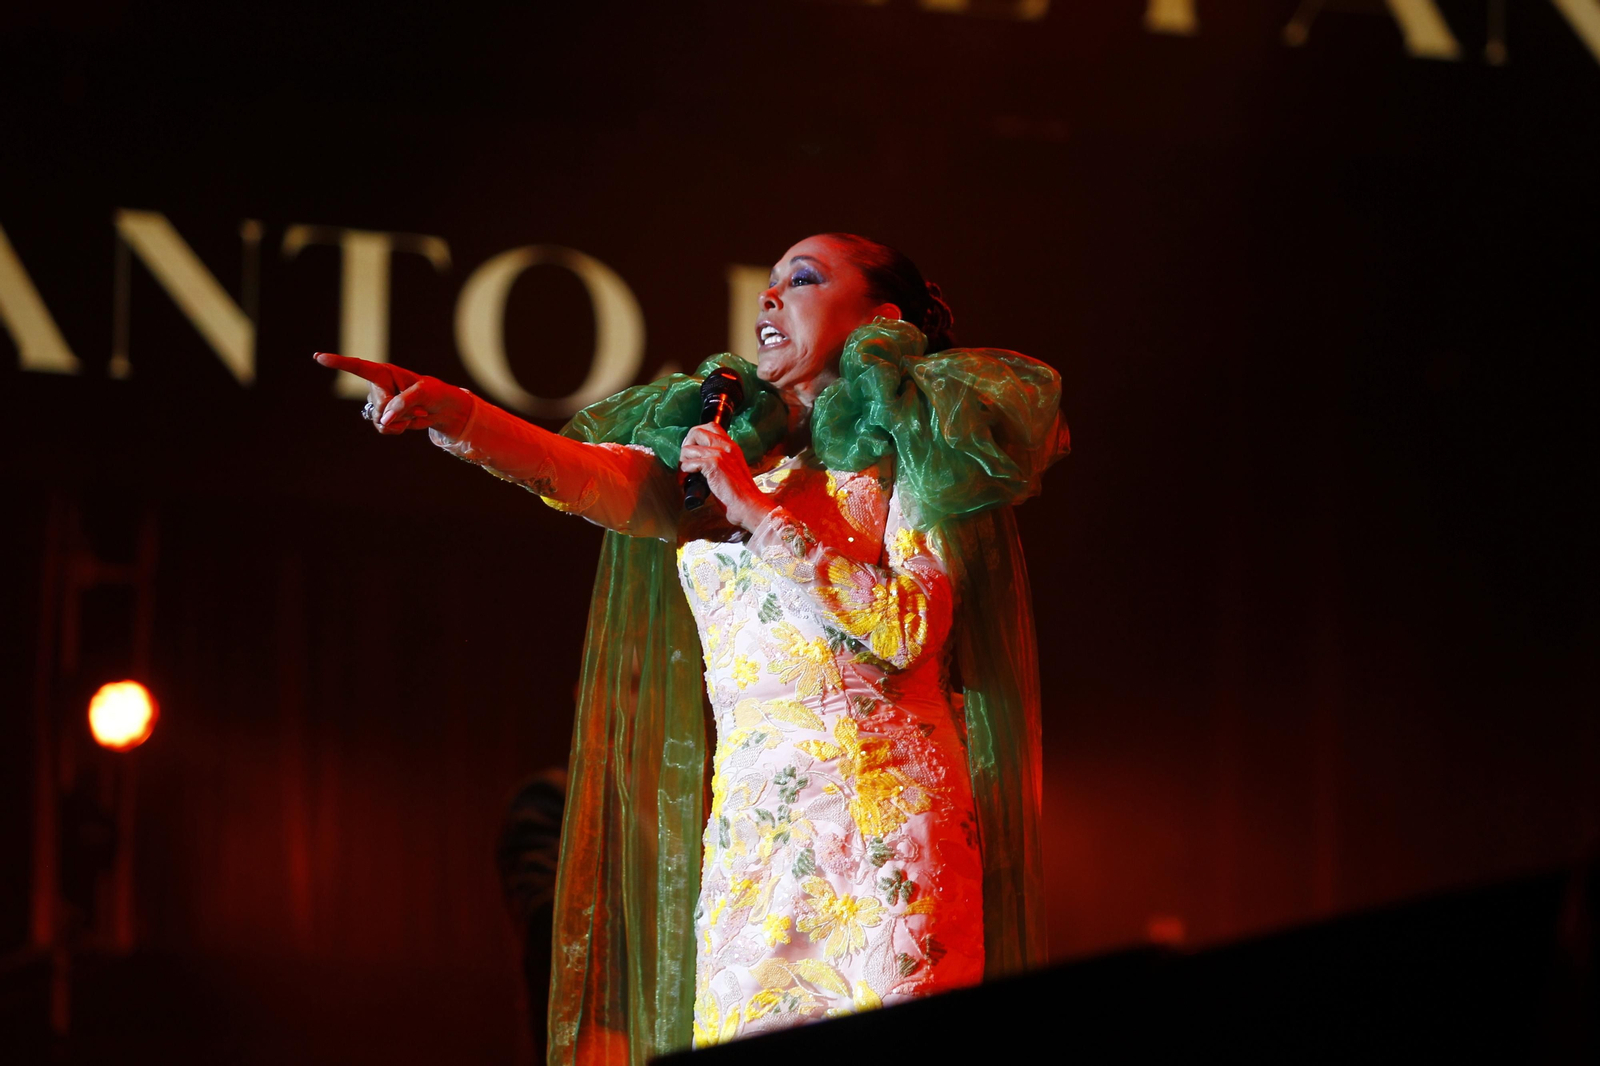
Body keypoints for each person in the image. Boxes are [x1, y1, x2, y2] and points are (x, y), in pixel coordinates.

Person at [316, 233, 1068, 1065]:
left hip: (883, 826)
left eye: (803, 279)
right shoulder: (726, 452)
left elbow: (908, 627)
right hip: (753, 835)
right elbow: (583, 472)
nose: (768, 297)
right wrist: (454, 412)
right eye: (768, 282)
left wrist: (756, 513)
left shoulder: (909, 451)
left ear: (879, 319)